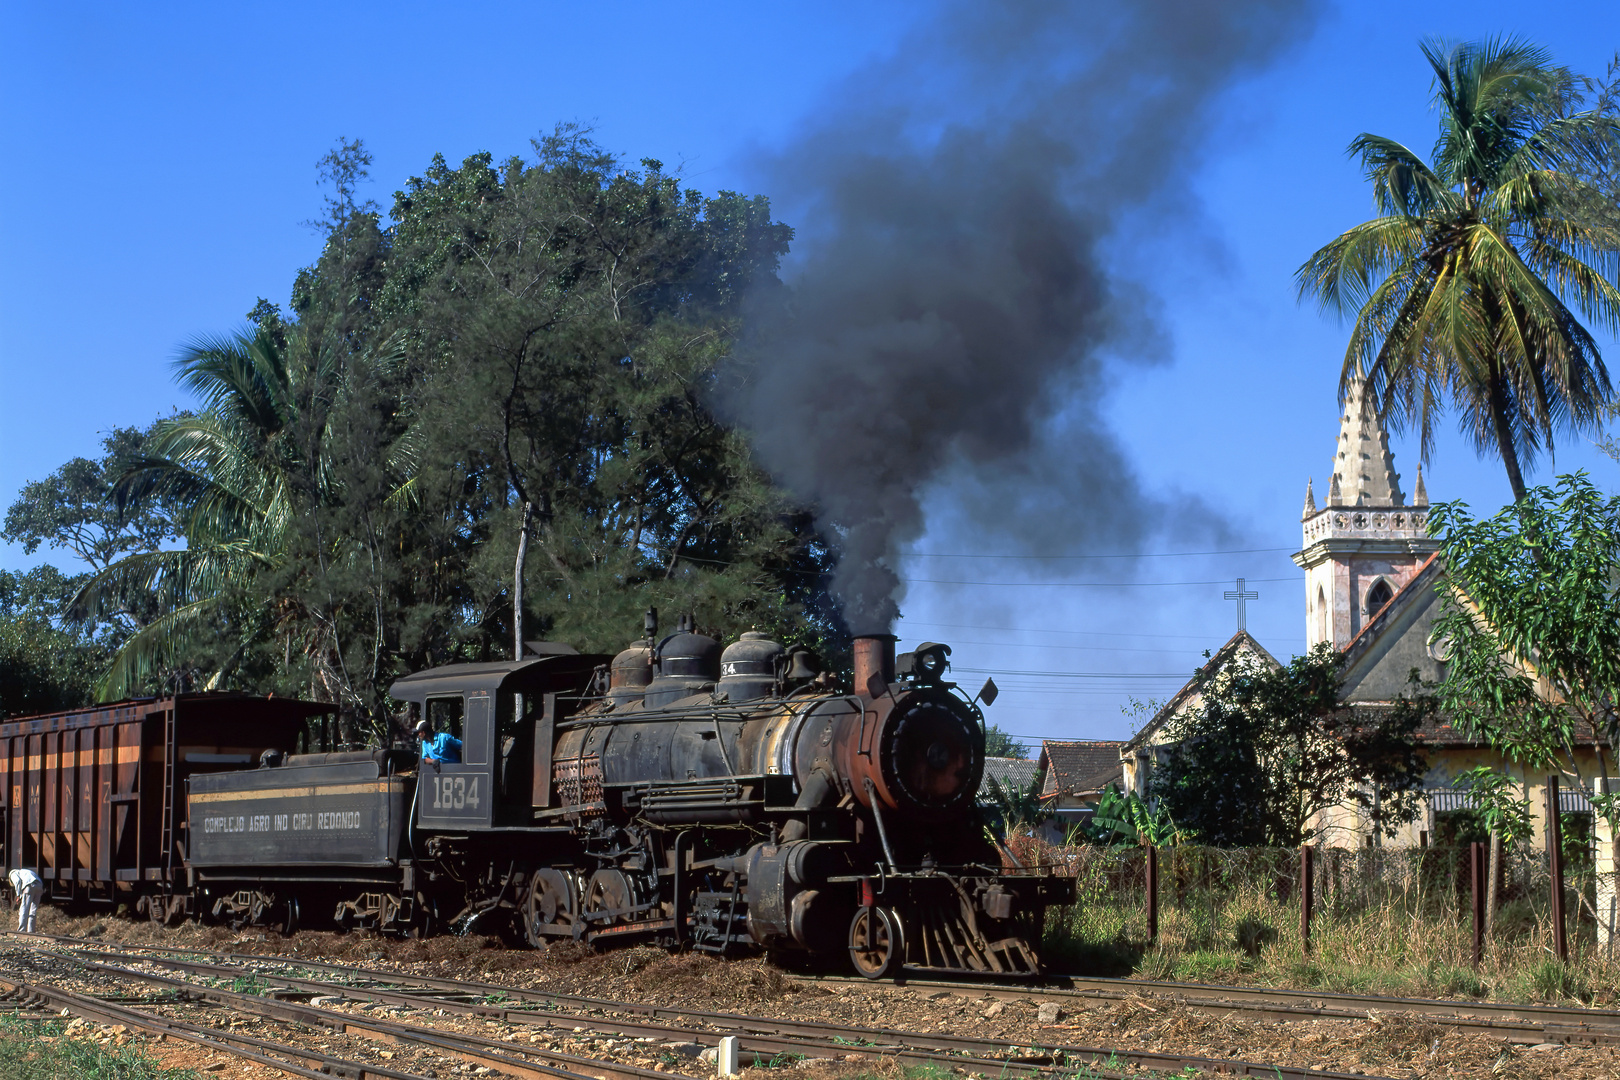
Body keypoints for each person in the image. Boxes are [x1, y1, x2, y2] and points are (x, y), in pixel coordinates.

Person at [8, 867, 42, 934]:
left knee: (24, 908)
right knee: (33, 910)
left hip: (29, 885)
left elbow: (17, 881)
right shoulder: (25, 871)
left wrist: (18, 895)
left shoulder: (12, 874)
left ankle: (21, 930)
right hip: (39, 886)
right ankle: (31, 931)